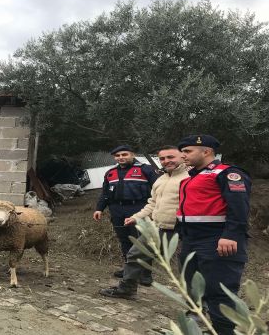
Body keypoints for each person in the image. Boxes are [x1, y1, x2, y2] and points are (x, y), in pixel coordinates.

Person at [176, 135, 251, 335]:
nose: (183, 156)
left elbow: (239, 207)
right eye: (182, 152)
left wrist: (231, 235)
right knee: (194, 286)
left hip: (216, 240)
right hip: (192, 239)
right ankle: (210, 326)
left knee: (219, 291)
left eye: (188, 151)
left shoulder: (227, 173)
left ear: (206, 151)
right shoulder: (193, 177)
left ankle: (224, 330)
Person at [99, 145, 189, 298]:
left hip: (183, 229)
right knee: (135, 253)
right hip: (158, 227)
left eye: (171, 157)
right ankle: (127, 289)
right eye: (162, 158)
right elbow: (152, 203)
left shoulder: (190, 177)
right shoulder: (162, 178)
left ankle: (198, 307)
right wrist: (136, 217)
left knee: (188, 267)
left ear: (182, 156)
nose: (166, 161)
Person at [93, 145, 158, 277]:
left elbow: (157, 191)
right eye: (117, 156)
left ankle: (145, 274)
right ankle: (129, 270)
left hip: (139, 208)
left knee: (142, 241)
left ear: (132, 155)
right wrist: (99, 208)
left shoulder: (146, 170)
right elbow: (105, 193)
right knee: (125, 241)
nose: (121, 158)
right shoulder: (110, 173)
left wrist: (154, 210)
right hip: (117, 210)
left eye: (124, 154)